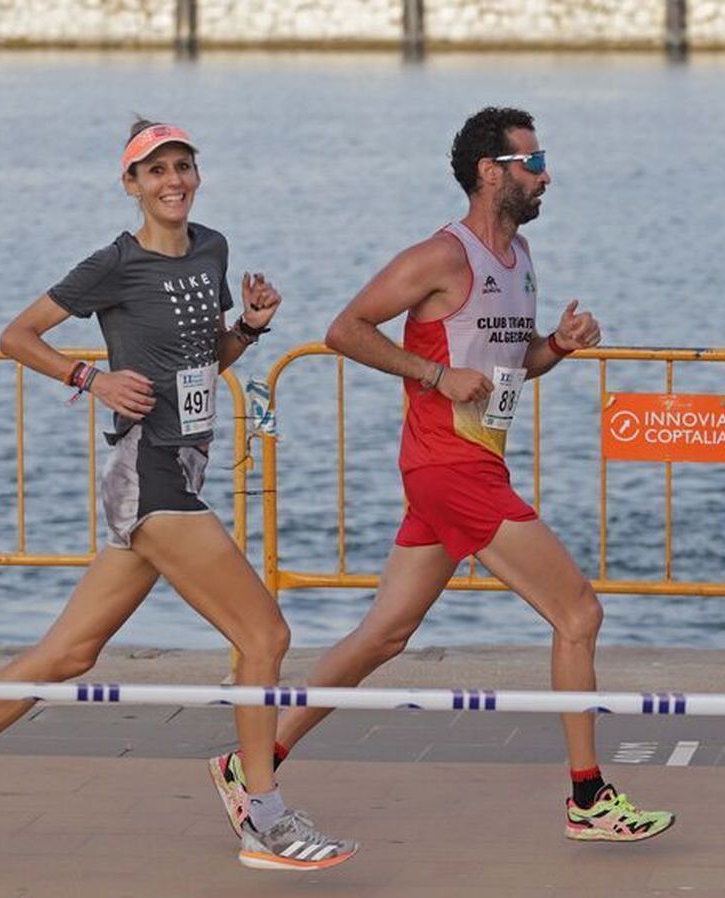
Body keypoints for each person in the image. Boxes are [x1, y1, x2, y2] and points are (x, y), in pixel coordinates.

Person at [0, 120, 357, 873]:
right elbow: (17, 335)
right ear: (132, 184)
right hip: (151, 478)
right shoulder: (114, 263)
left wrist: (248, 327)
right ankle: (262, 818)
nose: (174, 180)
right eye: (156, 171)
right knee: (265, 637)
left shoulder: (213, 249)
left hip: (184, 470)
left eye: (184, 166)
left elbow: (203, 360)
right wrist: (91, 378)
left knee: (70, 653)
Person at [208, 107, 674, 844]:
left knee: (384, 635)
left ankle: (253, 760)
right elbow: (344, 329)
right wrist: (432, 372)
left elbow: (505, 376)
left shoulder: (519, 260)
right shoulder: (441, 256)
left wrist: (557, 344)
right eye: (533, 161)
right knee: (578, 614)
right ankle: (588, 798)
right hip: (448, 469)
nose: (546, 174)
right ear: (491, 172)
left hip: (470, 464)